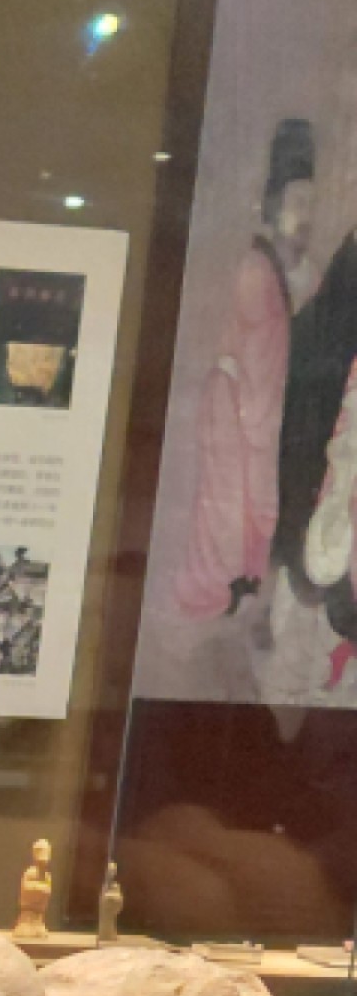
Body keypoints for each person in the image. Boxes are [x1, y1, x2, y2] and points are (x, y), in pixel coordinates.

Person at [177, 116, 315, 623]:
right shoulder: (255, 270)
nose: (305, 217)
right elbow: (260, 353)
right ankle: (219, 588)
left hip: (262, 402)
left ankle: (246, 580)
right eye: (297, 203)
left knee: (251, 505)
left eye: (311, 205)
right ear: (274, 205)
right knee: (226, 506)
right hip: (236, 404)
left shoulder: (297, 271)